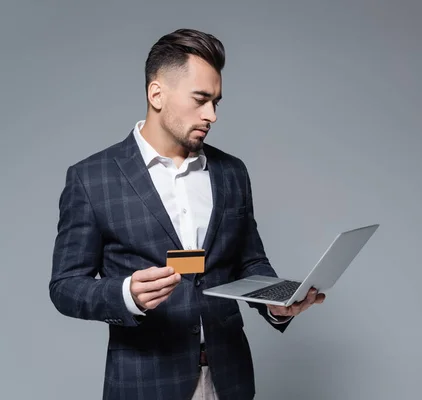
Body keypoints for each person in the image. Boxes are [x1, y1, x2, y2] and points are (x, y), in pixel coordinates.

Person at [49, 28, 325, 400]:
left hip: (230, 380)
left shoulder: (232, 172)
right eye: (200, 99)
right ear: (156, 93)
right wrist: (125, 294)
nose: (211, 114)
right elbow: (65, 286)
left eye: (216, 102)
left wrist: (275, 302)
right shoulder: (91, 178)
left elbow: (250, 260)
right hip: (145, 382)